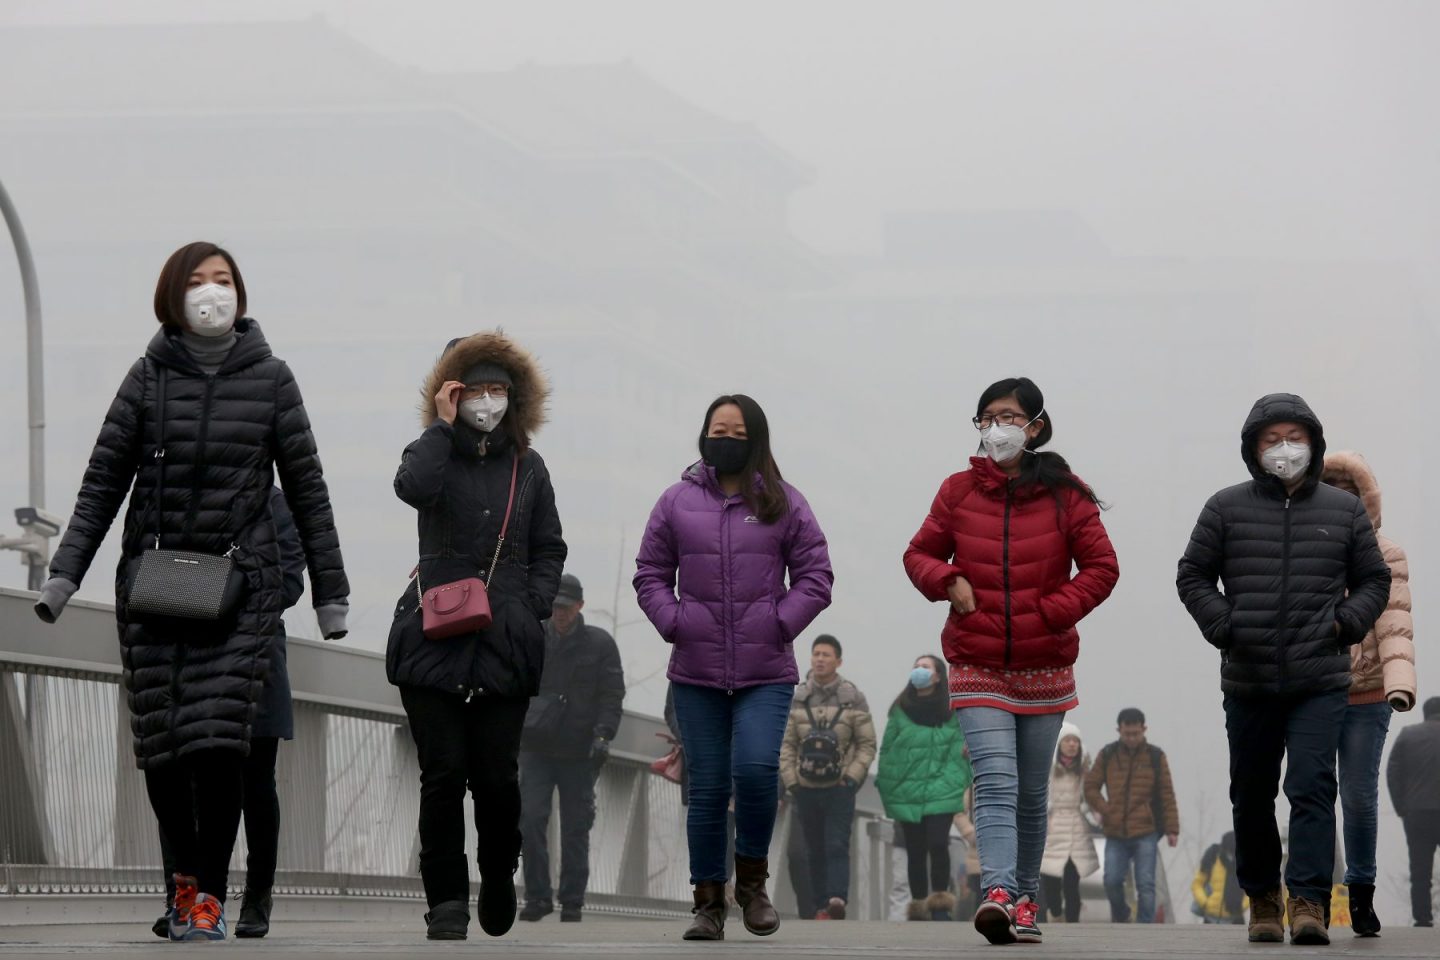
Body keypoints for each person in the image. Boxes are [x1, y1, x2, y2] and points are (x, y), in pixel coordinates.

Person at [33, 242, 350, 942]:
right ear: (173, 298)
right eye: (199, 282)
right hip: (155, 584)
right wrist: (64, 575)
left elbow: (308, 492)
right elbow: (102, 485)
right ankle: (181, 882)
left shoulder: (273, 380)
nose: (213, 292)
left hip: (240, 592)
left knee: (219, 749)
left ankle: (210, 896)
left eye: (225, 280)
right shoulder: (146, 379)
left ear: (242, 294)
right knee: (163, 747)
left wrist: (332, 592)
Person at [904, 377, 1118, 945]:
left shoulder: (1066, 494)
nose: (996, 428)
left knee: (1029, 791)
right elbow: (919, 553)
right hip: (975, 659)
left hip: (1044, 663)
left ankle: (1027, 897)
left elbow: (1102, 568)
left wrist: (1054, 611)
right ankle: (996, 891)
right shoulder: (956, 491)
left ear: (1035, 427)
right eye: (987, 418)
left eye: (1008, 417)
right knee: (994, 781)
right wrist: (948, 579)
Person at [1177, 393, 1391, 945]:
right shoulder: (1225, 507)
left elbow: (1375, 580)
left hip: (1319, 678)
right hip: (1247, 679)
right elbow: (1193, 576)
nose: (1284, 448)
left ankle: (1309, 903)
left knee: (1313, 787)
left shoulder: (1343, 511)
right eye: (1272, 438)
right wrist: (1225, 624)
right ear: (1253, 448)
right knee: (1250, 792)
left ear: (1314, 444)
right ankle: (1263, 900)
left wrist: (1345, 623)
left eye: (1294, 437)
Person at [387, 331, 567, 941]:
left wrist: (530, 606)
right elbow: (411, 489)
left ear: (513, 398)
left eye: (498, 390)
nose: (487, 401)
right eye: (474, 389)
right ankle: (444, 899)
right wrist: (440, 427)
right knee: (441, 774)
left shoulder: (529, 468)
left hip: (505, 641)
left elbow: (549, 547)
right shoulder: (432, 451)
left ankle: (496, 872)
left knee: (495, 776)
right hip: (433, 634)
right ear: (451, 392)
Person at [634, 393, 833, 941]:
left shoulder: (783, 502)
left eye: (736, 432)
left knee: (754, 770)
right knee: (707, 786)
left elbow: (816, 575)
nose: (724, 438)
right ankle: (708, 902)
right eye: (715, 428)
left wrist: (778, 621)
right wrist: (673, 621)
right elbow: (650, 571)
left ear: (755, 441)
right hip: (695, 670)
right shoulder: (675, 501)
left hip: (765, 670)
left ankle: (751, 883)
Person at [150, 487, 306, 940]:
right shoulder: (177, 496)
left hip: (253, 658)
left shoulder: (273, 503)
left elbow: (290, 582)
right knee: (185, 783)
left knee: (257, 783)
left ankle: (257, 896)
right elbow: (154, 570)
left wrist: (212, 592)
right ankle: (184, 898)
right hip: (189, 659)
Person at [1321, 451, 1417, 937]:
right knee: (1313, 795)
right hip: (1312, 689)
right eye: (1329, 484)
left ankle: (1360, 893)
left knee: (1357, 796)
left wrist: (1400, 684)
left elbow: (1396, 624)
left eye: (1348, 487)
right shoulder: (1301, 548)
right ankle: (1312, 895)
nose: (1339, 494)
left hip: (1369, 694)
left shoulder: (1386, 553)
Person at [519, 573, 625, 924]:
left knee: (575, 828)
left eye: (564, 607)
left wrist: (603, 735)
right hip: (535, 747)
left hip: (580, 751)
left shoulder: (600, 644)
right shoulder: (534, 637)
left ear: (579, 606)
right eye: (554, 606)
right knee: (530, 819)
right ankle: (536, 896)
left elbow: (612, 695)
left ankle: (572, 901)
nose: (558, 613)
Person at [779, 634, 877, 920]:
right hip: (804, 786)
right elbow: (785, 743)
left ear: (838, 661)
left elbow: (867, 743)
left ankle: (836, 900)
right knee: (808, 849)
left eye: (826, 655)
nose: (820, 659)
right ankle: (819, 905)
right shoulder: (796, 697)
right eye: (816, 654)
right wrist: (791, 780)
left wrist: (851, 779)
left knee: (836, 844)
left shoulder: (852, 698)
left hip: (838, 787)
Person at [875, 654, 972, 922]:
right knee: (915, 850)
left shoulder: (952, 709)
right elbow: (888, 750)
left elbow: (960, 749)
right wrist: (886, 782)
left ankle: (940, 901)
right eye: (916, 666)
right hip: (908, 789)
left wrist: (954, 780)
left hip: (941, 787)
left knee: (939, 843)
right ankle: (918, 904)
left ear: (938, 675)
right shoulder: (901, 708)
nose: (919, 671)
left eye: (925, 667)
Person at [1083, 708, 1180, 924]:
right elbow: (1090, 786)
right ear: (1119, 730)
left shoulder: (1156, 756)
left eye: (1136, 733)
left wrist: (1172, 829)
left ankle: (1145, 928)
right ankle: (1122, 914)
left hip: (1146, 831)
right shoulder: (1107, 754)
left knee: (1146, 884)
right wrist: (1104, 809)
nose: (1132, 738)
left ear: (1144, 729)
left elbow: (1167, 794)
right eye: (1127, 734)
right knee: (1111, 881)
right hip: (1115, 831)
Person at [1386, 697, 1440, 927]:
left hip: (1417, 812)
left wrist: (1401, 807)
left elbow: (1392, 773)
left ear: (1425, 713)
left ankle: (1423, 918)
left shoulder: (1408, 735)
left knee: (1420, 870)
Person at [1039, 723, 1099, 924]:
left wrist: (1095, 815)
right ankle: (1055, 916)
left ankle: (1073, 923)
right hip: (1053, 829)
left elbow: (1092, 798)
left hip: (1077, 830)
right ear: (1060, 744)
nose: (1072, 745)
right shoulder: (1048, 768)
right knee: (1051, 882)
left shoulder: (1085, 770)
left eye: (1076, 741)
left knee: (1073, 882)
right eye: (1068, 740)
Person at [1191, 832, 1246, 925]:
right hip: (1210, 919)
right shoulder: (1212, 857)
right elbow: (1197, 884)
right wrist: (1205, 902)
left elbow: (1253, 890)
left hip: (1235, 920)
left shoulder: (1246, 863)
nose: (1231, 857)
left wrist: (1242, 906)